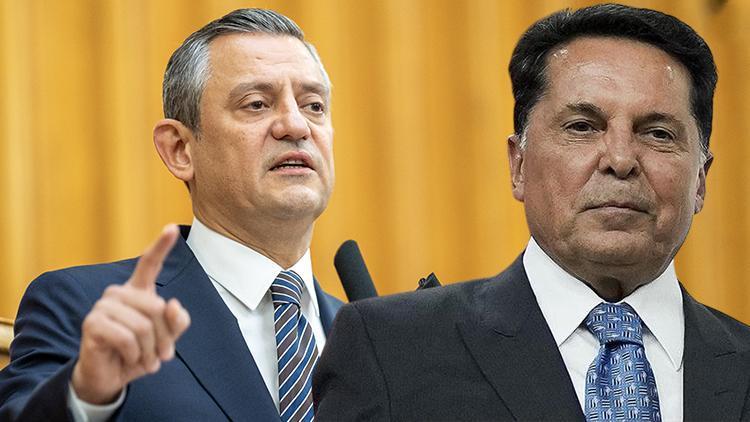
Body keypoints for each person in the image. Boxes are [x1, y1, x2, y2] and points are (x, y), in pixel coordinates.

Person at [314, 4, 750, 421]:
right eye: (582, 127)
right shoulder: (393, 353)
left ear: (700, 179)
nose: (620, 159)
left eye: (657, 134)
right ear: (518, 164)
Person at [0, 8, 342, 422]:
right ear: (180, 149)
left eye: (314, 105)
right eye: (256, 104)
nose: (296, 125)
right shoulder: (86, 311)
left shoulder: (368, 334)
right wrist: (86, 395)